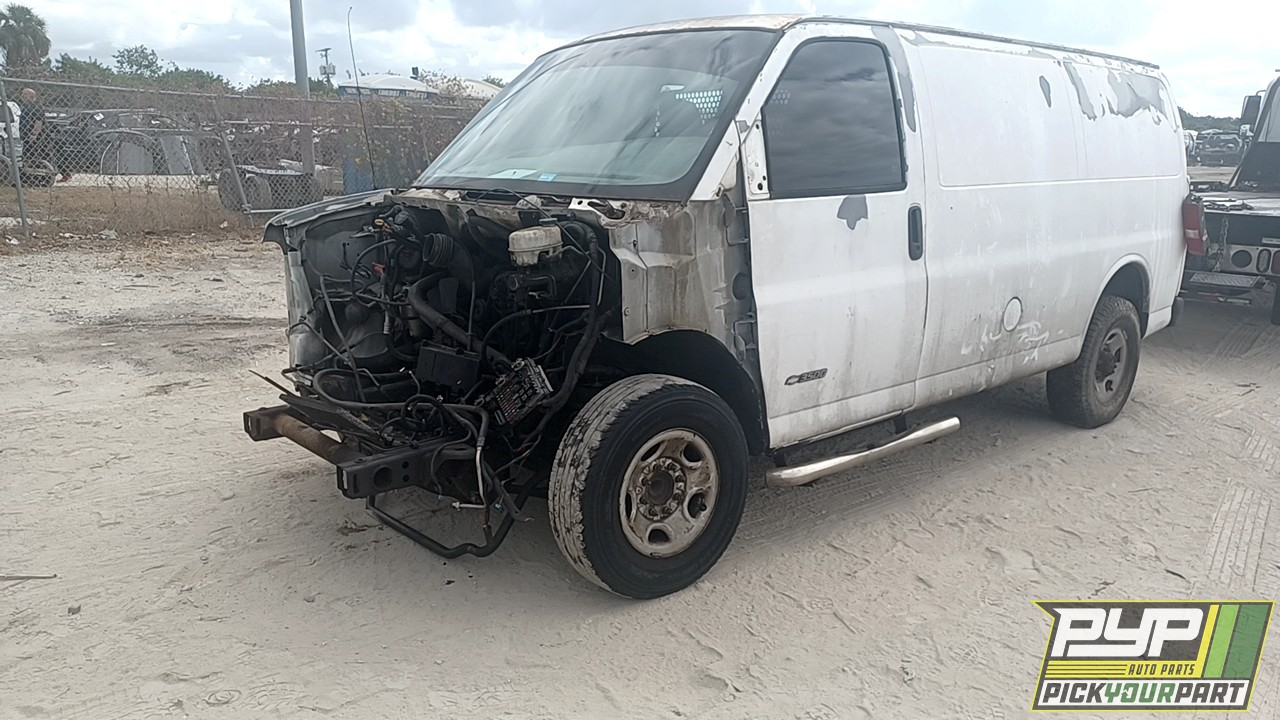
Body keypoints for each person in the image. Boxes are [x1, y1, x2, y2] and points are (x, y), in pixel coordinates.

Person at [17, 87, 70, 182]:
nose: (22, 96)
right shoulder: (26, 107)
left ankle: (33, 176)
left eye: (25, 94)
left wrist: (34, 134)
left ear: (32, 96)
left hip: (36, 137)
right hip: (27, 136)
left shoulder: (36, 107)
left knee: (34, 155)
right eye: (22, 94)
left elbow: (38, 122)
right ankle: (61, 174)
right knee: (40, 155)